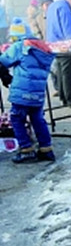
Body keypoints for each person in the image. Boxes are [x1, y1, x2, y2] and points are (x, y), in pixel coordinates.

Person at [0, 18, 56, 163]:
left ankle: (26, 150)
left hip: (22, 92)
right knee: (38, 119)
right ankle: (46, 149)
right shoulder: (43, 47)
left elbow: (4, 61)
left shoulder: (19, 46)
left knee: (17, 118)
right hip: (38, 93)